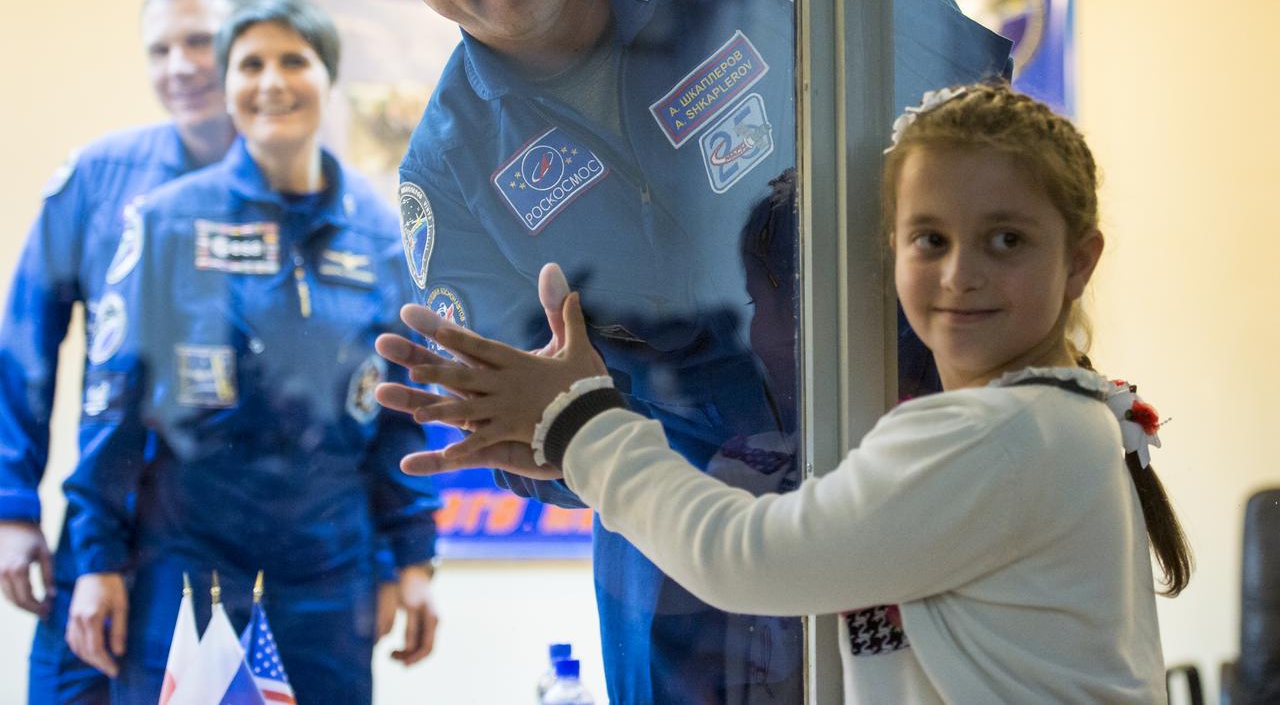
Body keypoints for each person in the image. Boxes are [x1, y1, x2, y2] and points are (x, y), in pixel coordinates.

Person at [332, 0, 1011, 703]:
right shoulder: (448, 178)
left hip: (922, 466)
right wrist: (553, 435)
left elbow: (982, 119)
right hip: (688, 566)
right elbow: (533, 437)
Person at [379, 81, 1193, 703]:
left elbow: (746, 558)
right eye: (930, 239)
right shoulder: (1052, 418)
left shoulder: (1005, 432)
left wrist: (583, 423)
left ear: (1080, 261)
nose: (960, 274)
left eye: (1005, 240)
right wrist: (577, 456)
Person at [62, 0, 441, 703]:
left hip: (332, 574)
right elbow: (111, 398)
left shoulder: (381, 233)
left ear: (328, 80)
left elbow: (400, 414)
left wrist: (414, 560)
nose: (271, 81)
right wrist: (95, 560)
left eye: (294, 60)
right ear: (227, 88)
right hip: (187, 560)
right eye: (250, 64)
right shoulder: (169, 223)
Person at [0, 0, 253, 703]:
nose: (179, 66)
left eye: (200, 42)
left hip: (235, 538)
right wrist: (11, 508)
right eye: (160, 49)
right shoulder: (97, 177)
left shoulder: (299, 189)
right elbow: (24, 348)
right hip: (101, 528)